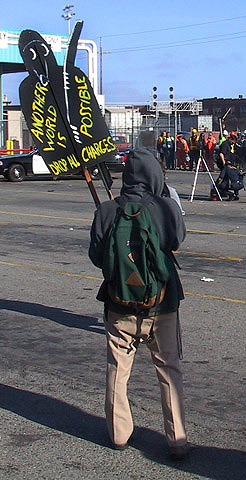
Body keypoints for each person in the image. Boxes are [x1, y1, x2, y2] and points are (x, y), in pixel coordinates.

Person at [88, 148, 189, 461]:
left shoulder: (106, 210)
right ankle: (177, 440)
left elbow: (96, 257)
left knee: (117, 370)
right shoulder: (165, 207)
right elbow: (177, 240)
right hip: (162, 303)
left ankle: (119, 434)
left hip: (119, 303)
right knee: (168, 369)